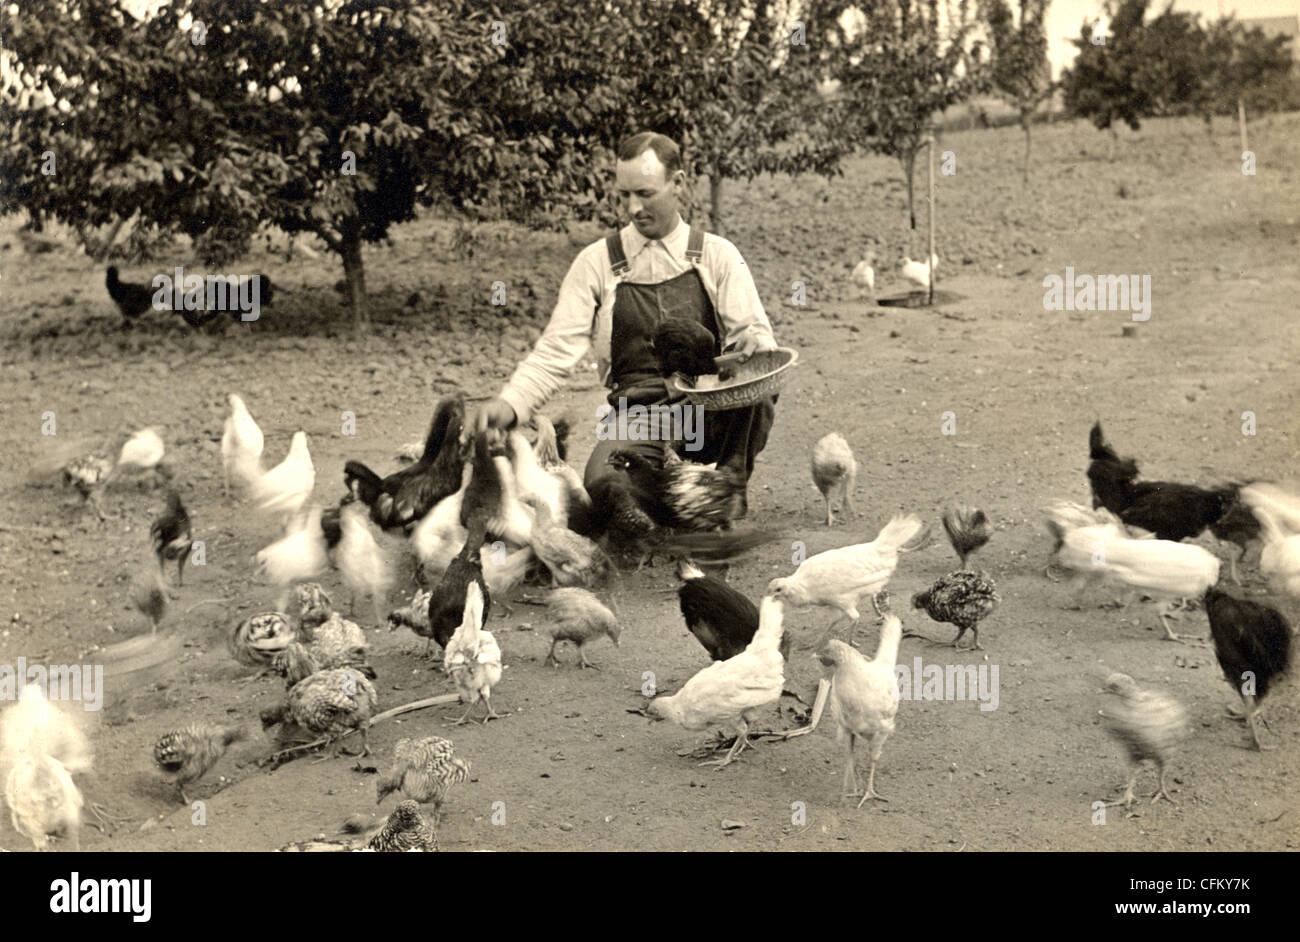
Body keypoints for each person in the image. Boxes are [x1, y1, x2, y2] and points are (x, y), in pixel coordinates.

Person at [475, 131, 779, 515]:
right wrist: (511, 404)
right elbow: (556, 349)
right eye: (624, 195)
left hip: (709, 413)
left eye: (645, 194)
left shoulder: (717, 256)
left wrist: (752, 341)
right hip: (639, 418)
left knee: (759, 393)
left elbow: (757, 337)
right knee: (605, 487)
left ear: (678, 183)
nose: (633, 208)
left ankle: (725, 491)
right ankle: (681, 496)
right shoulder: (597, 263)